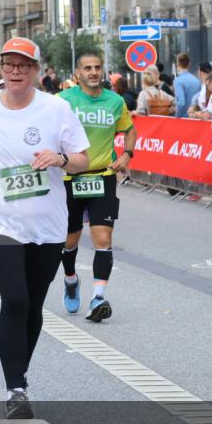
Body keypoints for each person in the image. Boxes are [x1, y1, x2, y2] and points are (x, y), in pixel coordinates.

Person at [0, 37, 90, 418]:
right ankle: (15, 389)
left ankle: (19, 372)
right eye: (9, 65)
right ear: (1, 68)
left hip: (46, 224)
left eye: (23, 66)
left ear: (35, 70)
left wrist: (60, 159)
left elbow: (83, 158)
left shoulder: (56, 109)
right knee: (15, 298)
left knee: (32, 305)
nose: (15, 72)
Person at [58, 51, 137, 322]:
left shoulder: (115, 101)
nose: (93, 72)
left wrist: (127, 154)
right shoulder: (63, 100)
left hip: (102, 176)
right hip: (69, 177)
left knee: (103, 239)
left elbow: (130, 129)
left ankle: (98, 297)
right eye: (87, 68)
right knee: (69, 240)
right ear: (77, 73)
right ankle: (70, 279)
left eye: (97, 67)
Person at [173, 53, 201, 117]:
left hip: (183, 118)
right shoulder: (196, 80)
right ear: (189, 64)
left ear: (178, 64)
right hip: (195, 116)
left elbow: (180, 103)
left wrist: (177, 116)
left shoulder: (178, 81)